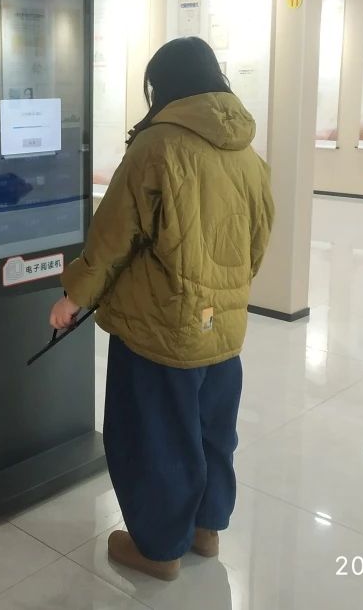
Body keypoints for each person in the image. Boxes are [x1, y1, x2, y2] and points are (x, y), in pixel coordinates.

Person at [50, 37, 274, 582]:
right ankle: (205, 529)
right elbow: (258, 241)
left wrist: (74, 297)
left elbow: (112, 237)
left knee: (154, 439)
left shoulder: (158, 146)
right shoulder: (246, 152)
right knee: (212, 431)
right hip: (224, 331)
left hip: (160, 329)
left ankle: (158, 548)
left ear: (163, 85)